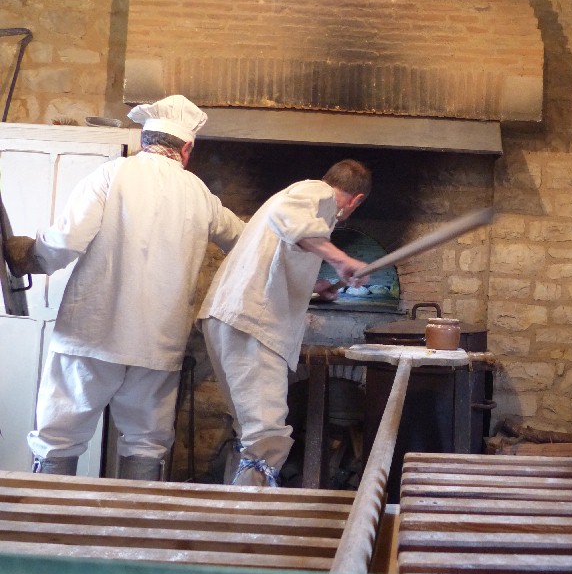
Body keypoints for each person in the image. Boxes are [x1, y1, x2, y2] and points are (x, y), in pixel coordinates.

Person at [2, 95, 244, 480]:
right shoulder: (200, 193)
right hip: (157, 343)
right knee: (146, 443)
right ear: (186, 148)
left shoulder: (111, 174)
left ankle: (46, 528)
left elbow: (64, 243)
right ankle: (131, 534)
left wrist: (32, 256)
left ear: (147, 139)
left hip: (92, 333)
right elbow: (247, 244)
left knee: (59, 437)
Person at [197, 159, 371, 486]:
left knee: (249, 430)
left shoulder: (295, 199)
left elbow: (282, 248)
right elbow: (289, 221)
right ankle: (251, 524)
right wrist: (341, 259)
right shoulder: (316, 193)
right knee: (267, 434)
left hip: (229, 318)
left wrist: (315, 287)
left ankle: (233, 515)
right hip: (253, 323)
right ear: (355, 200)